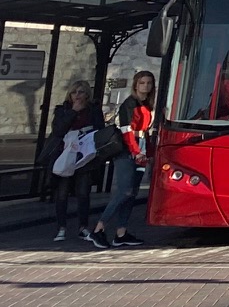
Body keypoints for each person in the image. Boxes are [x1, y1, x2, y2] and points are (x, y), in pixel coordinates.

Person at [91, 70, 156, 248]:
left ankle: (121, 232)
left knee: (131, 193)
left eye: (149, 83)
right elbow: (127, 131)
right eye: (142, 83)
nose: (146, 86)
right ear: (136, 84)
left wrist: (148, 154)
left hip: (141, 149)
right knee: (124, 191)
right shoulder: (130, 104)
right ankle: (98, 229)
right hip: (127, 151)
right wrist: (135, 151)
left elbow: (146, 132)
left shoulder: (147, 104)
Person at [43, 81, 104, 242]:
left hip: (84, 156)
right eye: (74, 92)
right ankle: (61, 228)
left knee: (83, 192)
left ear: (87, 95)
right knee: (62, 194)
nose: (77, 95)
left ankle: (83, 227)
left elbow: (100, 131)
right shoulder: (62, 110)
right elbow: (58, 131)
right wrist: (72, 113)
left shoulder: (93, 111)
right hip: (65, 154)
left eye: (81, 92)